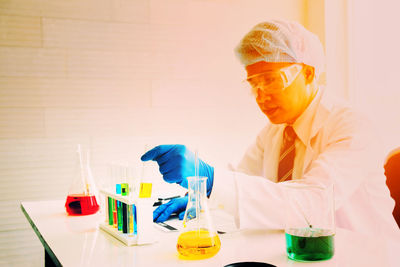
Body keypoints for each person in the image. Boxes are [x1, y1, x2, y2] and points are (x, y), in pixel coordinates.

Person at [141, 20, 399, 237]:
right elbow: (243, 178)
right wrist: (201, 196)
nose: (260, 96)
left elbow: (312, 206)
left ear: (308, 73)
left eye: (271, 80)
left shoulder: (351, 127)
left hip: (367, 256)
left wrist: (211, 180)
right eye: (254, 83)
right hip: (303, 256)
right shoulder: (276, 131)